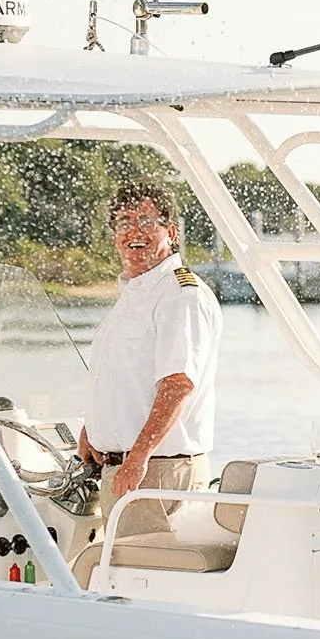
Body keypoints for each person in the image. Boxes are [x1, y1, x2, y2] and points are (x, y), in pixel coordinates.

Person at [77, 178, 222, 545]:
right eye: (124, 222)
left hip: (154, 470)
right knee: (127, 582)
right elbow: (120, 377)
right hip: (127, 468)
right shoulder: (136, 293)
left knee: (139, 587)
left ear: (170, 232)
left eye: (147, 222)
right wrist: (92, 431)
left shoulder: (179, 295)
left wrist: (138, 456)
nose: (134, 232)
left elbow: (178, 384)